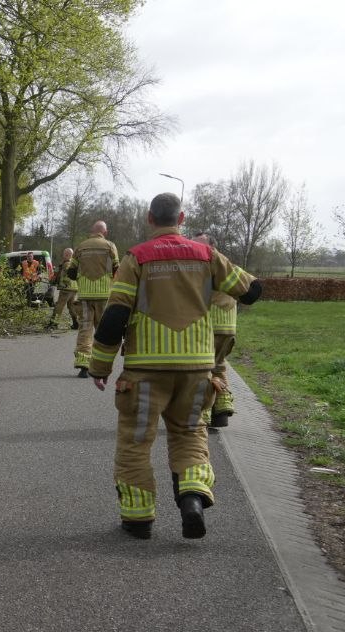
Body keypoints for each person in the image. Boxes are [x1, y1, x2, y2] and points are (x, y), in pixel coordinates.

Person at [88, 194, 262, 540]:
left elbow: (115, 316)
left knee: (136, 443)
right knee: (190, 434)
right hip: (197, 371)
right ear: (181, 217)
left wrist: (100, 365)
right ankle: (192, 498)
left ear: (150, 218)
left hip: (144, 373)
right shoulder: (207, 255)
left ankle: (138, 520)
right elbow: (252, 291)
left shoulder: (136, 258)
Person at [194, 233, 239, 429]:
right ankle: (222, 410)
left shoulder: (203, 265)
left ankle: (203, 415)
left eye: (198, 244)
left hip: (209, 325)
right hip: (228, 328)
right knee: (218, 364)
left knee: (201, 368)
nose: (194, 248)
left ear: (212, 246)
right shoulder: (228, 265)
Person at [72, 221, 119, 377]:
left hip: (85, 295)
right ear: (104, 232)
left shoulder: (80, 247)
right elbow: (116, 269)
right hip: (104, 295)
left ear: (92, 231)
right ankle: (99, 366)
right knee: (102, 330)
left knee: (85, 329)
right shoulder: (110, 246)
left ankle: (83, 365)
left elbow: (71, 272)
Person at [45, 247, 80, 330]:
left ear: (68, 254)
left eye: (64, 254)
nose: (63, 255)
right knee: (71, 306)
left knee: (59, 306)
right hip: (73, 288)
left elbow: (65, 274)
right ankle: (76, 324)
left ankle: (53, 324)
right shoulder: (74, 263)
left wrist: (59, 281)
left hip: (66, 288)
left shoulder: (67, 264)